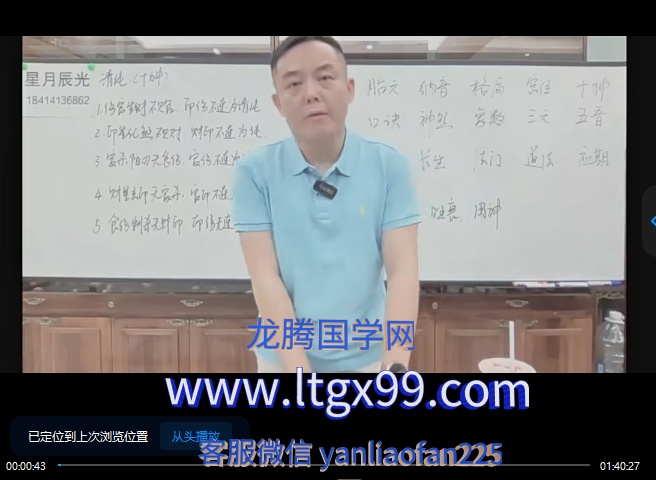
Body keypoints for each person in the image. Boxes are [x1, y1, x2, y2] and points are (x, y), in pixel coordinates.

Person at [232, 36, 421, 373]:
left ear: (349, 89)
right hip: (283, 359)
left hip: (369, 358)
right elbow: (265, 278)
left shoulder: (389, 166)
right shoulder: (254, 173)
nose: (311, 93)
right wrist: (300, 374)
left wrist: (395, 366)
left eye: (324, 77)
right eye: (294, 84)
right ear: (278, 102)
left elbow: (402, 271)